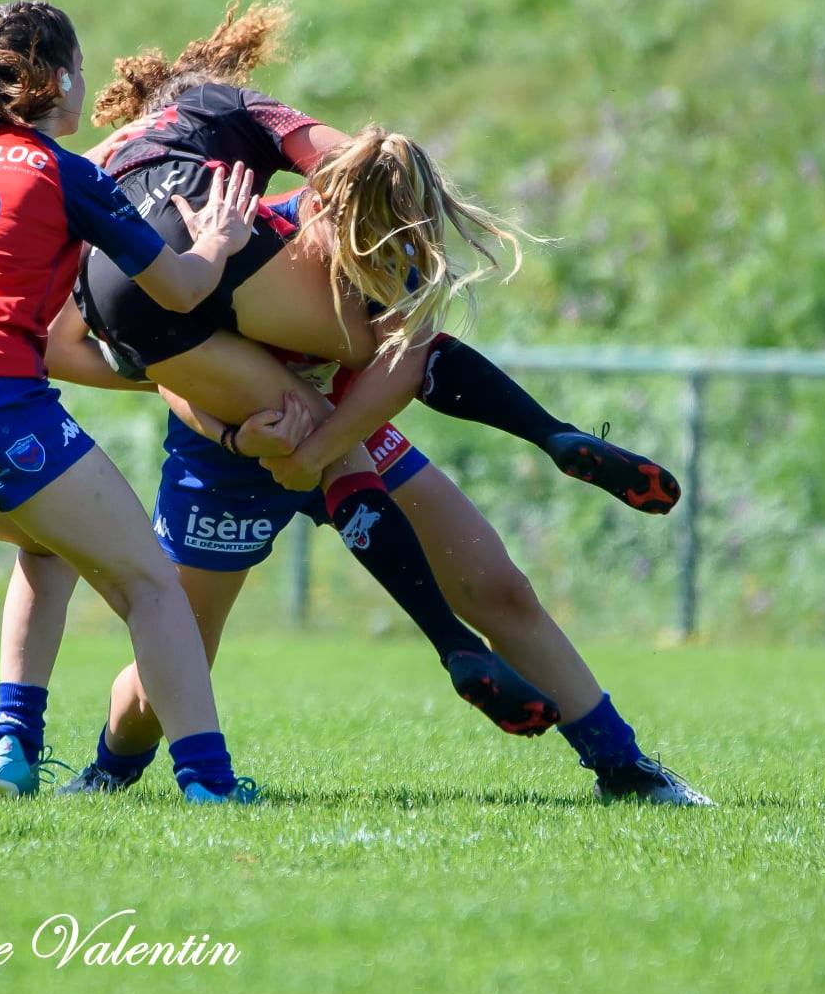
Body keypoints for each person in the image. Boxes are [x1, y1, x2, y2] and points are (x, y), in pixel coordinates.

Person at [51, 196, 711, 804]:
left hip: (350, 430)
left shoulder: (396, 254)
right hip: (226, 460)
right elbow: (160, 367)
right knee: (177, 651)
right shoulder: (221, 233)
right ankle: (112, 768)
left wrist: (321, 442)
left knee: (499, 590)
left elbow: (412, 361)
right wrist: (233, 431)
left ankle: (622, 768)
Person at [0, 0, 264, 804]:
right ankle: (209, 783)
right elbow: (179, 291)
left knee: (45, 542)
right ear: (59, 79)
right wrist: (217, 240)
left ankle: (11, 749)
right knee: (150, 584)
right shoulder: (57, 169)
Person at [76, 0, 681, 511]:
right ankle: (549, 435)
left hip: (115, 300)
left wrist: (220, 424)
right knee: (400, 348)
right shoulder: (224, 103)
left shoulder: (108, 158)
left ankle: (449, 639)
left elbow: (60, 347)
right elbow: (360, 163)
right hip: (214, 249)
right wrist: (394, 258)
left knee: (184, 625)